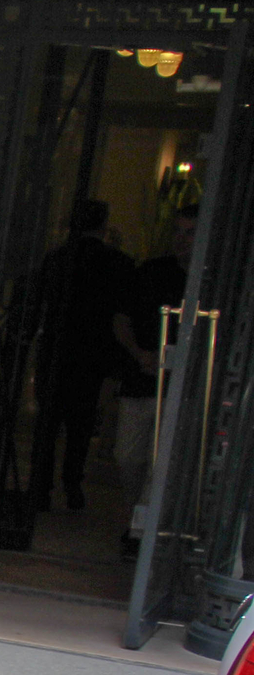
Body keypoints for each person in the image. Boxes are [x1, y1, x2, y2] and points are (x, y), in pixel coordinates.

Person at [27, 198, 145, 514]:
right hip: (92, 355)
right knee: (81, 424)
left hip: (57, 350)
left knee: (48, 423)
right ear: (103, 225)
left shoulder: (56, 259)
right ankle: (73, 484)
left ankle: (41, 488)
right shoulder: (118, 263)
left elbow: (39, 306)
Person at [124, 207, 198, 552]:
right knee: (128, 457)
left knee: (160, 466)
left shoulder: (208, 281)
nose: (182, 240)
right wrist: (140, 354)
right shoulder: (152, 272)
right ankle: (133, 520)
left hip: (180, 389)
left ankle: (141, 535)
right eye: (179, 231)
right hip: (142, 381)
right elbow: (121, 317)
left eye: (191, 233)